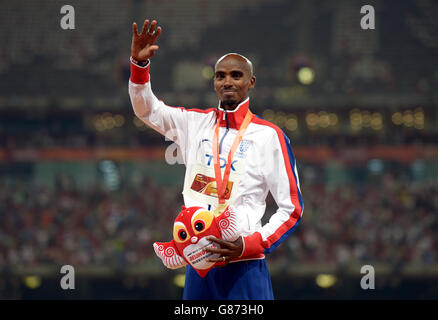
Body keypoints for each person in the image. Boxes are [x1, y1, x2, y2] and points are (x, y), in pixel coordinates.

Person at [129, 19, 303, 300]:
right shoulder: (194, 123)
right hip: (198, 266)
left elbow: (291, 208)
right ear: (214, 82)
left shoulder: (270, 136)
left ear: (251, 82)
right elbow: (146, 110)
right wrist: (139, 66)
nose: (228, 82)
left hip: (244, 265)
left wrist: (251, 244)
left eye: (236, 75)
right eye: (221, 76)